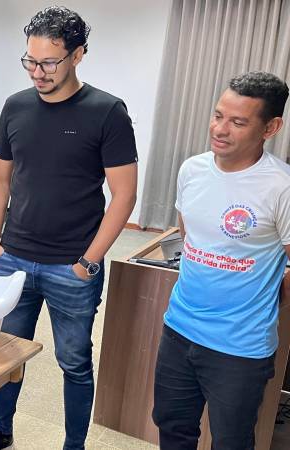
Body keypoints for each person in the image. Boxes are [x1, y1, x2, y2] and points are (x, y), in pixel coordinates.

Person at [0, 6, 138, 450]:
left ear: (78, 55)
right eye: (30, 61)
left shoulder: (107, 111)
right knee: (7, 354)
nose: (38, 72)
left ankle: (74, 445)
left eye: (49, 62)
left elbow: (124, 195)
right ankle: (1, 429)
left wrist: (89, 262)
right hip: (13, 258)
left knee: (74, 363)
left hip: (72, 265)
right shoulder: (15, 106)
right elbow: (0, 178)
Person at [151, 71, 290, 449]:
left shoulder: (281, 186)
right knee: (172, 427)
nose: (220, 129)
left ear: (271, 127)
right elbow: (189, 235)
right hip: (179, 329)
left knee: (231, 441)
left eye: (238, 122)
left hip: (240, 346)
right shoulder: (192, 169)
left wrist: (267, 299)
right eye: (217, 116)